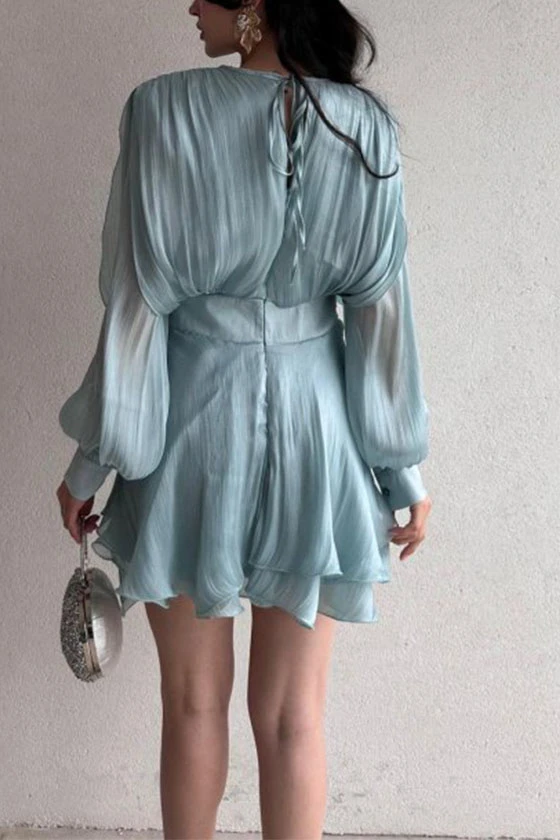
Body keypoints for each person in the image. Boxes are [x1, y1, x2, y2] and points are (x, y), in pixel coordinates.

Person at [55, 0, 433, 836]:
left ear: (255, 4)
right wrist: (401, 471)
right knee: (295, 716)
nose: (193, 6)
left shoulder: (162, 111)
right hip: (319, 431)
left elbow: (136, 306)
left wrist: (90, 466)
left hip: (192, 424)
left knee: (193, 703)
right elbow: (381, 316)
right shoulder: (365, 129)